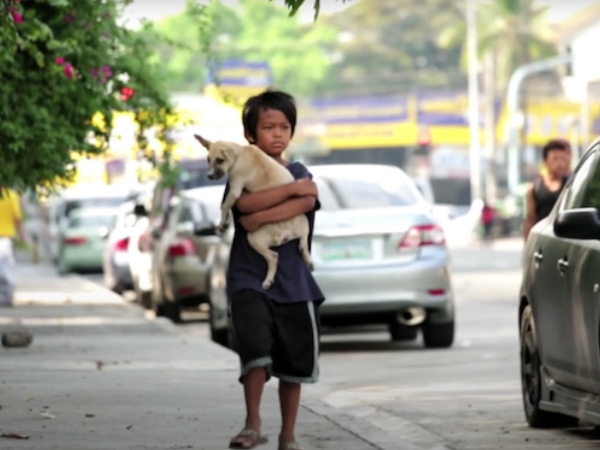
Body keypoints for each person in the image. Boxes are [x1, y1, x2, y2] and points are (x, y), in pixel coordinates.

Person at [225, 89, 324, 450]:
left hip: (296, 282)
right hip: (249, 278)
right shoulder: (240, 170)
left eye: (284, 127)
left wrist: (261, 215)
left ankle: (288, 436)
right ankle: (252, 424)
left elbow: (309, 196)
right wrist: (291, 194)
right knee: (254, 351)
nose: (278, 134)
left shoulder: (298, 171)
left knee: (293, 362)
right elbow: (243, 203)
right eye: (268, 127)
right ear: (251, 135)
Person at [523, 138, 571, 241]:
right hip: (542, 240)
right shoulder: (535, 188)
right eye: (555, 159)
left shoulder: (572, 185)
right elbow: (530, 219)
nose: (560, 163)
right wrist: (527, 246)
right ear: (545, 161)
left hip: (565, 240)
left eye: (563, 159)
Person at [0, 187, 25, 307]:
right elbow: (17, 218)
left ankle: (6, 296)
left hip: (5, 238)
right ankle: (7, 296)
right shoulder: (11, 195)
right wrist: (21, 235)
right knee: (6, 268)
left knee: (5, 268)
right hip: (5, 238)